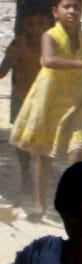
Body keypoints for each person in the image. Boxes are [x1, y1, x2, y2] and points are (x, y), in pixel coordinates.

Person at [10, 0, 82, 220]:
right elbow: (49, 60)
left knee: (79, 151)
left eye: (76, 7)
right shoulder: (50, 37)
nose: (72, 11)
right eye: (67, 6)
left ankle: (77, 203)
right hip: (51, 96)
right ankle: (40, 204)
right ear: (56, 11)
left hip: (77, 97)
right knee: (46, 154)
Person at [0, 10, 50, 195]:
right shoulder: (18, 44)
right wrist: (11, 59)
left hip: (44, 100)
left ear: (48, 26)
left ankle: (40, 179)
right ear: (23, 26)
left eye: (40, 24)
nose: (35, 29)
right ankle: (26, 175)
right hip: (21, 99)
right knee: (21, 141)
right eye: (30, 25)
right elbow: (2, 72)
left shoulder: (52, 46)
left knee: (41, 142)